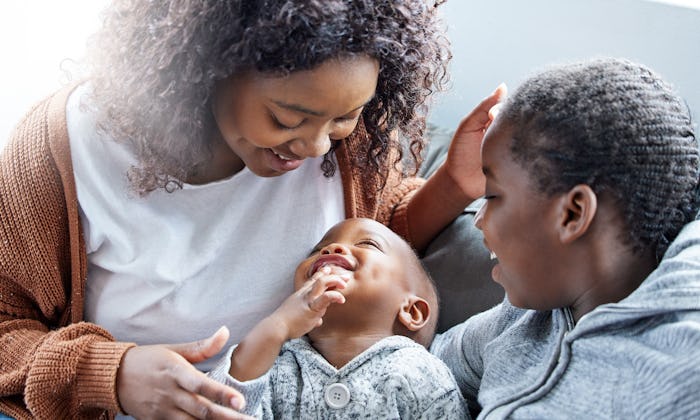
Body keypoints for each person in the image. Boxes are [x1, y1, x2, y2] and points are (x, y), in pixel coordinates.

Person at [0, 0, 502, 418]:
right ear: (204, 69)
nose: (317, 148)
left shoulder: (347, 139)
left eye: (344, 119)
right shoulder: (61, 152)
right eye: (287, 119)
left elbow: (378, 238)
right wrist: (110, 373)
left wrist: (454, 185)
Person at [430, 57, 700, 418]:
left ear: (572, 214)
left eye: (492, 196)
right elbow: (427, 362)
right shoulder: (515, 323)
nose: (479, 219)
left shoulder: (683, 357)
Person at [207, 217, 468, 418]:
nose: (332, 247)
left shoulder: (419, 373)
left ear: (411, 311)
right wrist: (278, 325)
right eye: (317, 249)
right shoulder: (274, 366)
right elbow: (219, 409)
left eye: (367, 244)